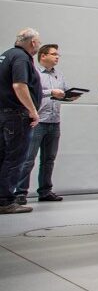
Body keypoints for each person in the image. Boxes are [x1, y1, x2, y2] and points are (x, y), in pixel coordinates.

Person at [16, 44, 67, 204]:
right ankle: (20, 192)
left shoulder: (59, 75)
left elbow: (63, 91)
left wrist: (67, 95)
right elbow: (32, 92)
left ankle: (45, 191)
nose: (57, 57)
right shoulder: (35, 73)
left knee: (49, 159)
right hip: (38, 121)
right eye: (53, 54)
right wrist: (50, 92)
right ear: (43, 56)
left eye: (57, 54)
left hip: (54, 121)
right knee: (28, 158)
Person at [0, 28, 43, 214]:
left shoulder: (5, 55)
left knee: (3, 157)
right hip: (16, 115)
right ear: (33, 42)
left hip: (3, 114)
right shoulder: (21, 58)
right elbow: (19, 85)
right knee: (15, 158)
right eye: (38, 42)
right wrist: (32, 111)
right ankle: (6, 201)